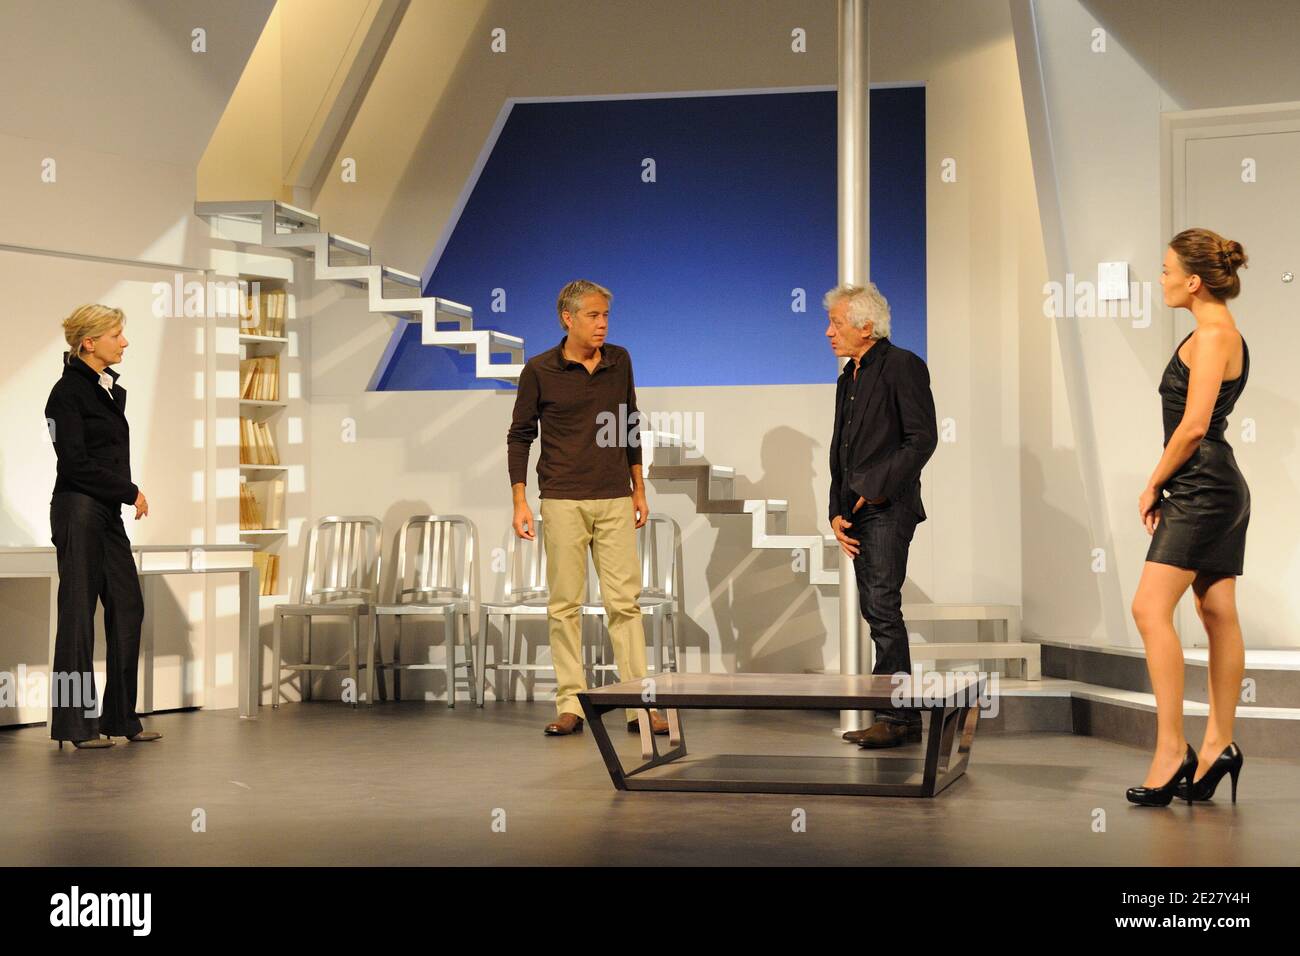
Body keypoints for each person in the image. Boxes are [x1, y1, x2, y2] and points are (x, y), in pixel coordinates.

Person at [506, 280, 668, 737]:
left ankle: (639, 704)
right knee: (564, 606)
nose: (602, 324)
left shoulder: (620, 361)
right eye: (594, 316)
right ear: (568, 318)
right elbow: (520, 436)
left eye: (606, 316)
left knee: (625, 604)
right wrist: (519, 499)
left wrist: (639, 487)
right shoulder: (539, 370)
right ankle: (572, 704)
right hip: (561, 499)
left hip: (615, 497)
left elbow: (629, 422)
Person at [1127, 229, 1249, 807]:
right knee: (1216, 610)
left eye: (1166, 269)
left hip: (1201, 487)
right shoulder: (1220, 333)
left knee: (1149, 608)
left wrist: (1153, 482)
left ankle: (1171, 749)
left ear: (1193, 281)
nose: (1161, 279)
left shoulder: (1213, 336)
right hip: (1216, 485)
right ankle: (1218, 745)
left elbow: (1195, 425)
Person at [825, 283, 938, 748]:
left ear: (865, 327)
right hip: (855, 513)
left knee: (882, 610)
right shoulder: (846, 378)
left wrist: (871, 493)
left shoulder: (903, 366)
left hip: (889, 508)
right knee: (876, 610)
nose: (829, 332)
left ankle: (899, 718)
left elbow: (921, 440)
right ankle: (899, 717)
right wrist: (835, 509)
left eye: (836, 323)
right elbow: (841, 452)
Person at [44, 305, 161, 749]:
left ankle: (120, 718)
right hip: (77, 509)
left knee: (128, 606)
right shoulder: (66, 394)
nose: (124, 342)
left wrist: (119, 495)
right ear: (89, 343)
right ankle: (76, 726)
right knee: (77, 616)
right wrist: (130, 491)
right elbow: (74, 463)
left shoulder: (109, 391)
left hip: (105, 512)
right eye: (117, 334)